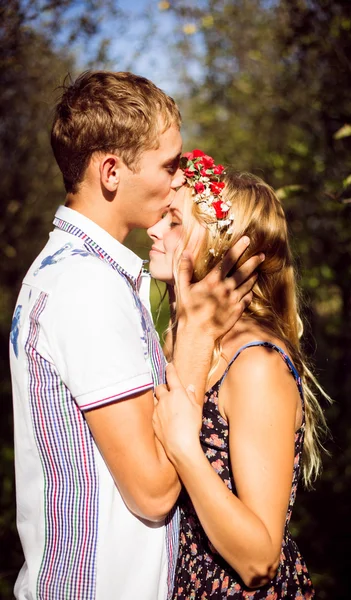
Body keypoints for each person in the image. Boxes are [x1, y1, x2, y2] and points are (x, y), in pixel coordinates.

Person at [9, 74, 263, 600]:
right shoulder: (87, 287)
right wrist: (194, 341)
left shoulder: (74, 272)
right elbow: (151, 491)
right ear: (110, 171)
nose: (179, 181)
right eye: (169, 165)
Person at [148, 150, 330, 599]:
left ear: (215, 244)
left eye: (173, 222)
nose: (153, 229)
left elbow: (260, 559)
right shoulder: (185, 341)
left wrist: (184, 449)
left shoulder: (256, 363)